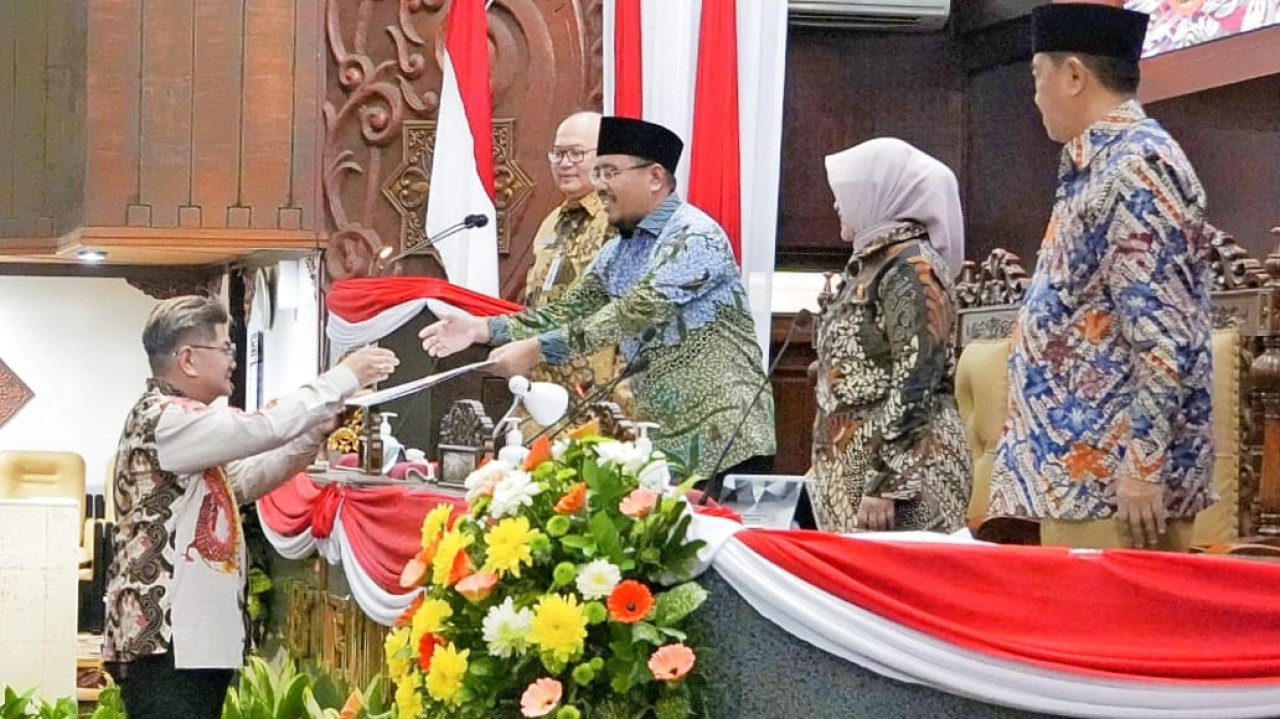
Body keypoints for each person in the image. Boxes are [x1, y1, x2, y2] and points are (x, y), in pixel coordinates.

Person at [419, 116, 775, 482]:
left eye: (609, 173)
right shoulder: (618, 251)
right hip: (664, 446)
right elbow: (565, 311)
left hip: (728, 440)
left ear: (655, 177)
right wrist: (483, 328)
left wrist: (538, 349)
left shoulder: (696, 237)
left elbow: (631, 314)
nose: (599, 185)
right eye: (599, 172)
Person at [102, 295, 398, 718]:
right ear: (187, 358)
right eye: (224, 348)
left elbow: (241, 481)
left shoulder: (186, 422)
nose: (232, 360)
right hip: (167, 639)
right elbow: (261, 427)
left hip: (190, 641)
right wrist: (341, 377)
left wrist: (313, 433)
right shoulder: (168, 417)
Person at [988, 3, 1215, 551]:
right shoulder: (1098, 166)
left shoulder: (1137, 167)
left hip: (1116, 491)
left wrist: (1144, 465)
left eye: (1038, 77)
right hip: (1079, 480)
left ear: (1072, 75)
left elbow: (1163, 334)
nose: (1035, 95)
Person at [811, 138, 972, 533]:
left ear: (875, 194)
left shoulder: (911, 267)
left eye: (844, 194)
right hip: (859, 469)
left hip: (902, 477)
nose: (836, 205)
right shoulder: (873, 263)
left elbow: (917, 377)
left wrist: (887, 480)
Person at [520, 111, 629, 419]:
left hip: (600, 393)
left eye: (576, 154)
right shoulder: (552, 222)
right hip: (542, 393)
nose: (564, 163)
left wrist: (623, 399)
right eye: (558, 153)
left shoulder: (621, 220)